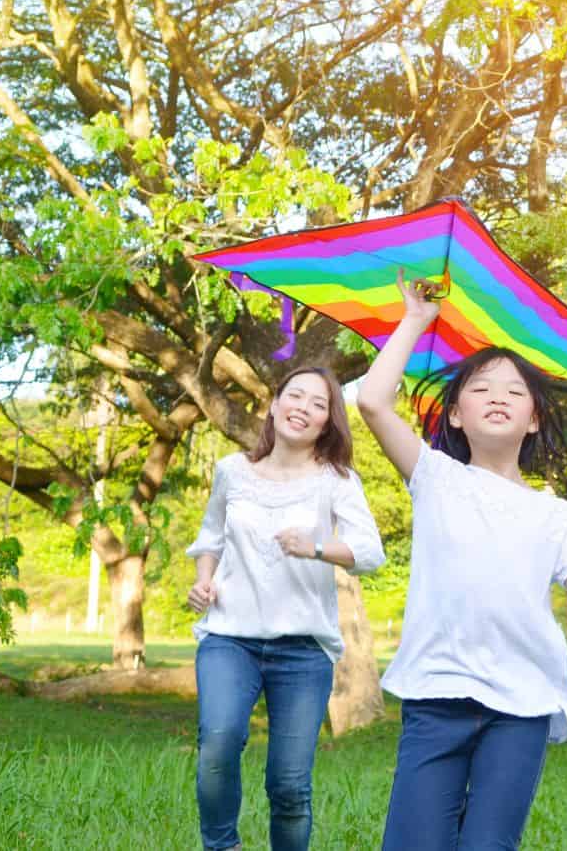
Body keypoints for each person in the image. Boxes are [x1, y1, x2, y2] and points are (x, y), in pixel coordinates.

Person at [358, 270, 567, 851]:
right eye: (482, 388)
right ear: (456, 416)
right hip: (437, 695)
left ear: (534, 418)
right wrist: (415, 319)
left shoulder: (556, 514)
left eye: (515, 392)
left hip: (521, 706)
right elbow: (371, 400)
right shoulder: (435, 477)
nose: (498, 397)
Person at [185, 365, 387, 851]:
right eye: (295, 396)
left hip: (303, 650)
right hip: (229, 637)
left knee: (290, 785)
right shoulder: (232, 471)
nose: (303, 407)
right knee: (217, 743)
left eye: (318, 404)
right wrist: (203, 580)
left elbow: (371, 553)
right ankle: (222, 846)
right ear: (274, 405)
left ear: (326, 423)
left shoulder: (336, 480)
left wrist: (318, 545)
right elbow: (211, 537)